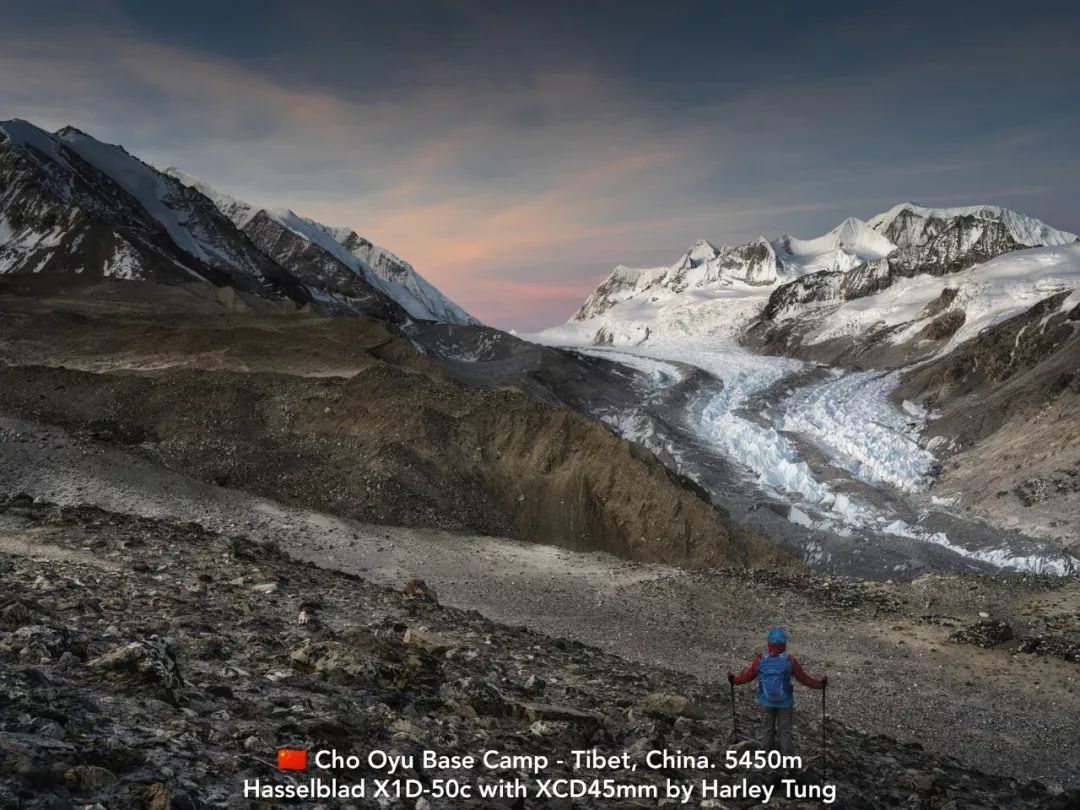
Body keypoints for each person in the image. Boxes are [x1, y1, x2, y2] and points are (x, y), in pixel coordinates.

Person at [728, 627, 827, 756]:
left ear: (769, 644)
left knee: (767, 729)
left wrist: (735, 680)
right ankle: (787, 762)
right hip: (785, 702)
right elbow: (803, 678)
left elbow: (749, 675)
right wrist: (820, 685)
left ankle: (767, 760)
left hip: (766, 701)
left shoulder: (760, 659)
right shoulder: (790, 661)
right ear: (784, 645)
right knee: (785, 732)